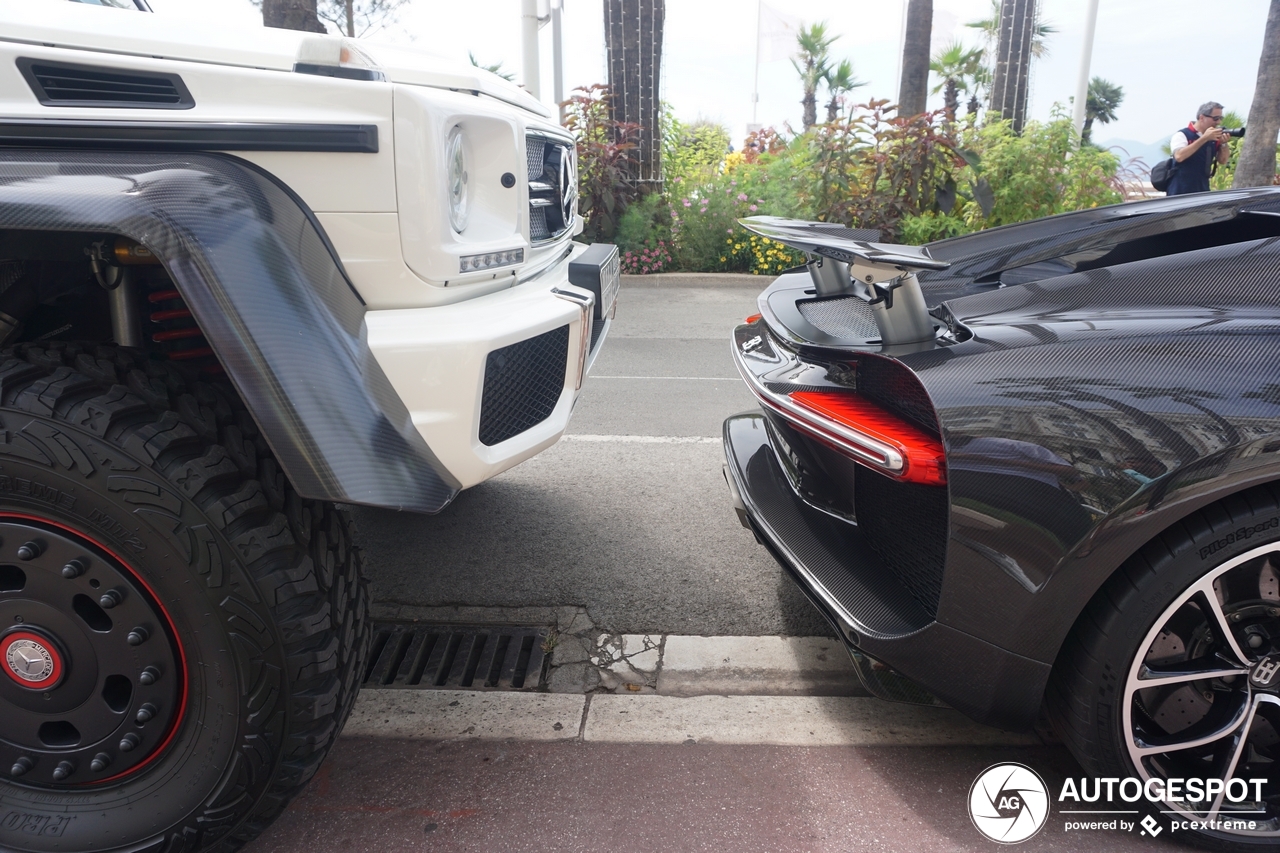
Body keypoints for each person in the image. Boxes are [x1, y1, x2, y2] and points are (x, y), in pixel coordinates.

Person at [1165, 101, 1232, 196]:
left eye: (1220, 118)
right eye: (1215, 118)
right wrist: (1204, 138)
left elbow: (1223, 160)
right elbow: (1179, 156)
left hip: (1202, 191)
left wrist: (1224, 143)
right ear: (1202, 117)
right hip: (1179, 192)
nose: (1218, 122)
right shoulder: (1182, 135)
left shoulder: (1213, 138)